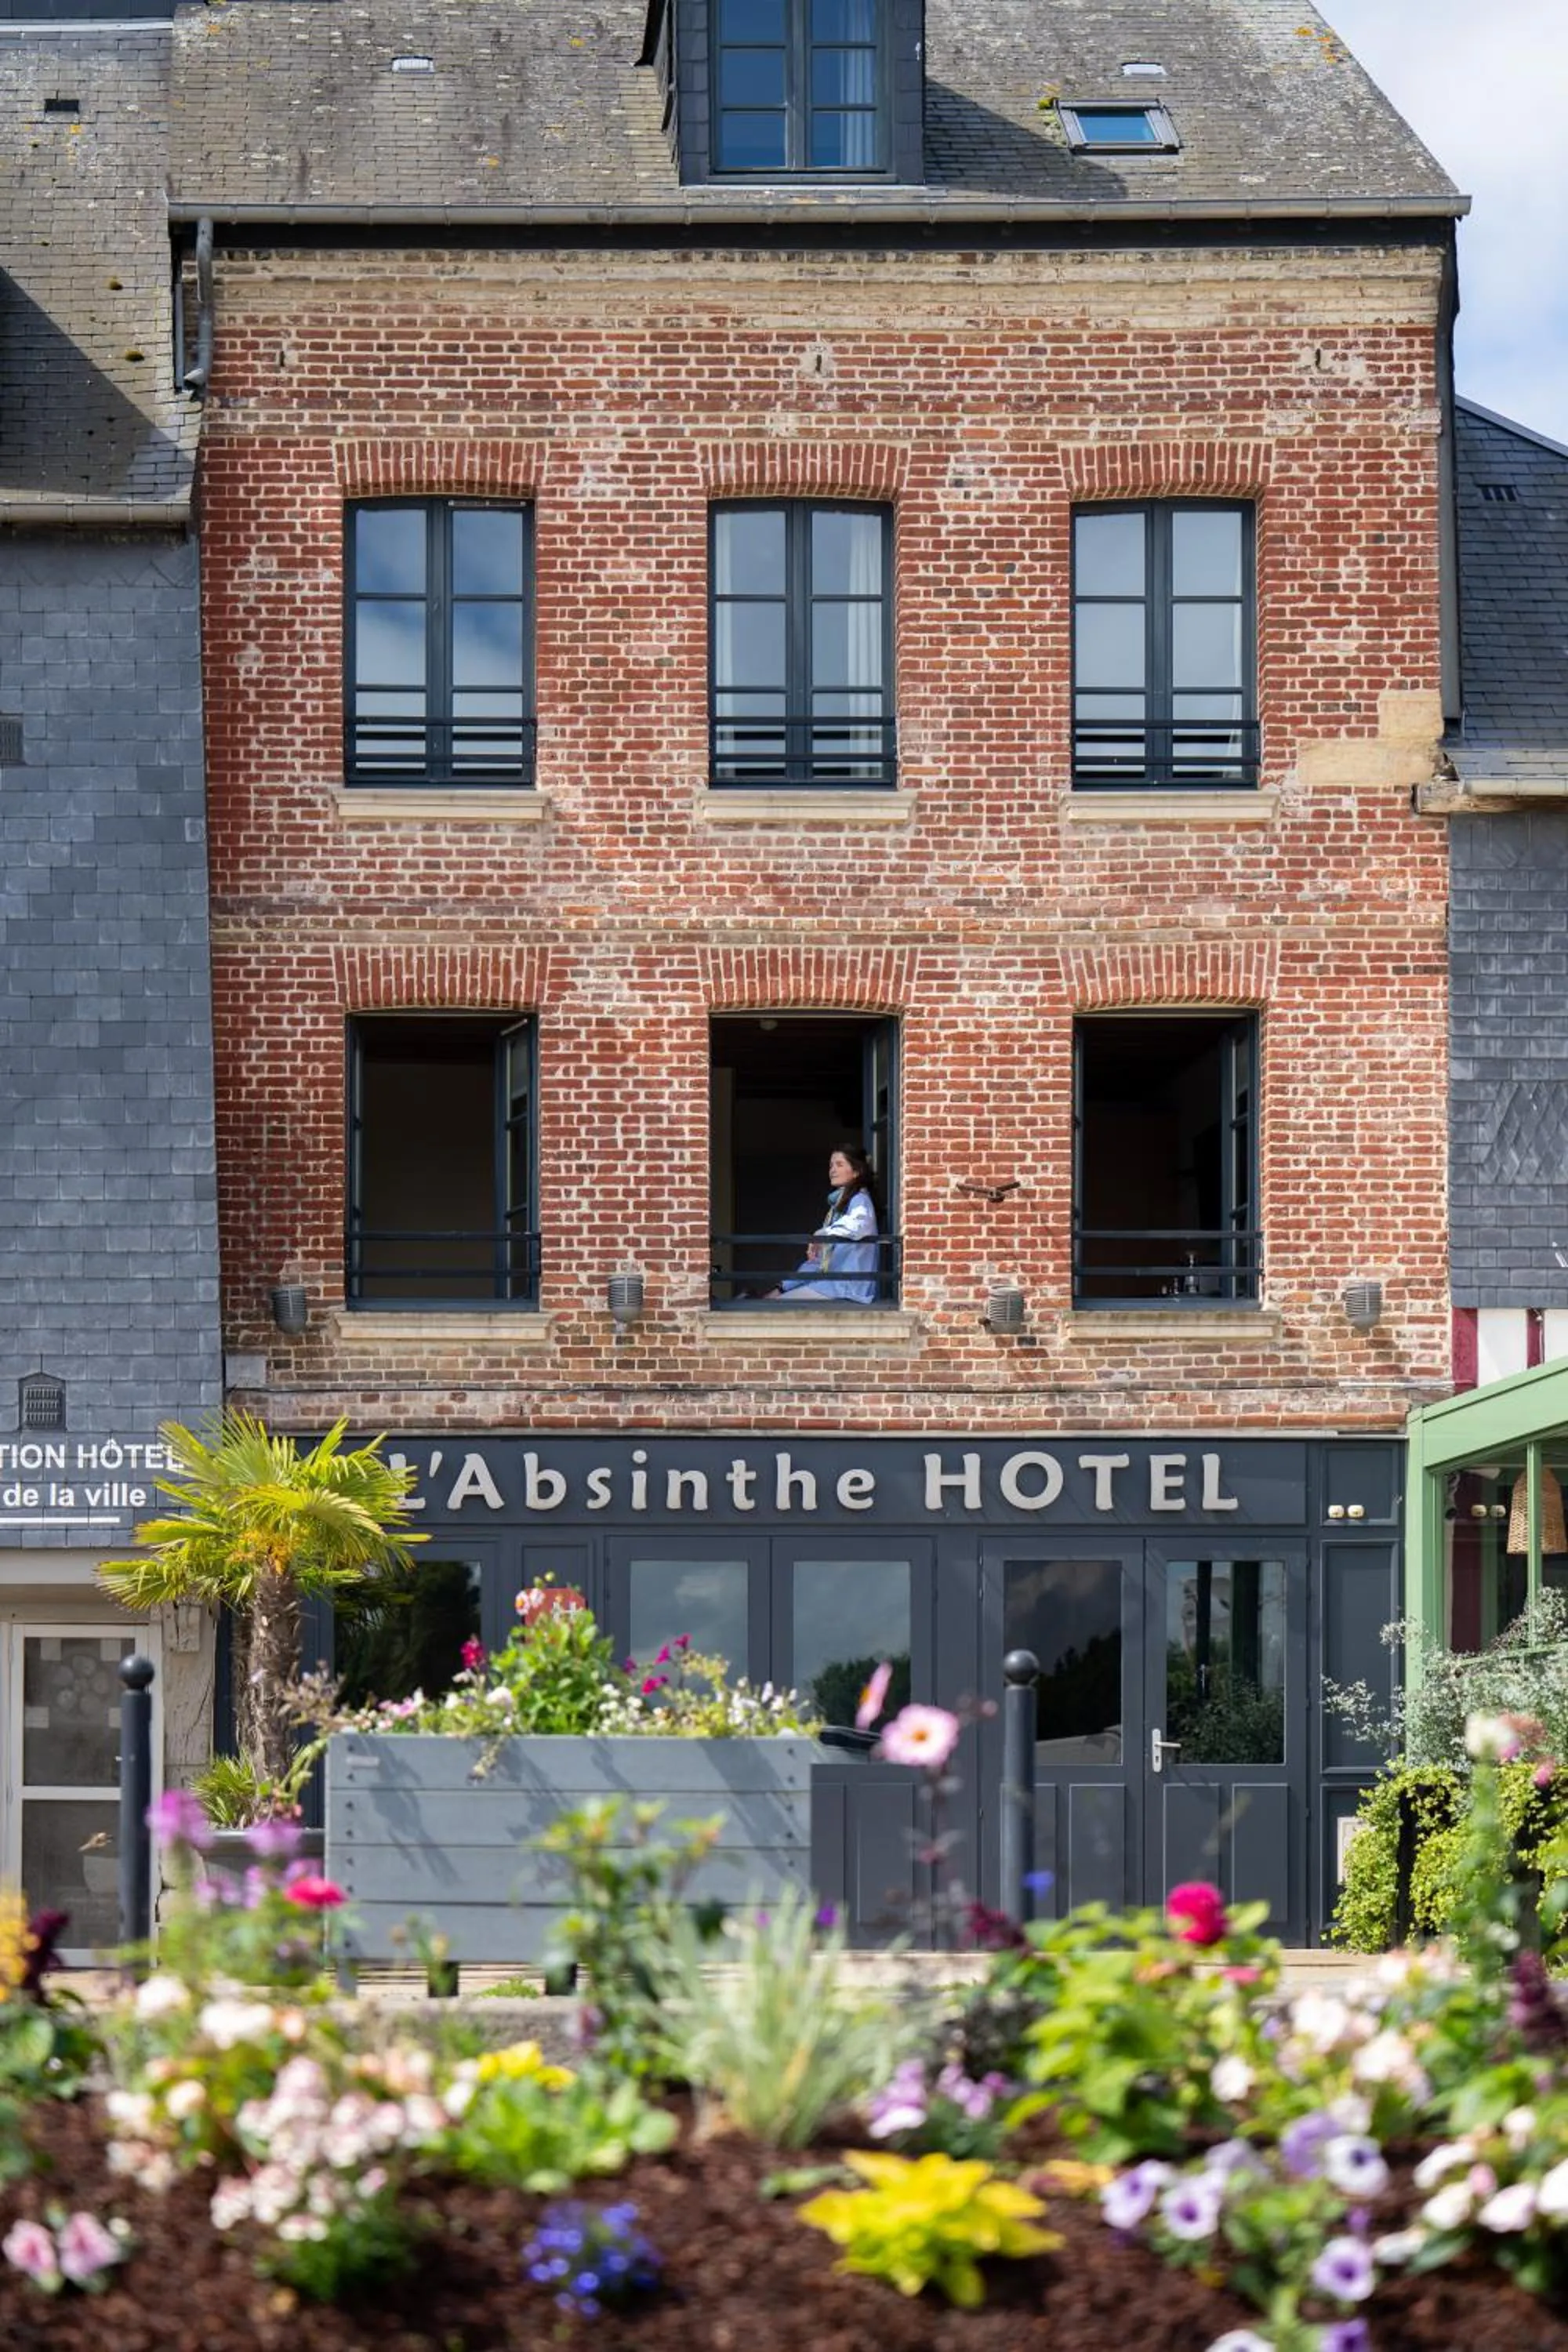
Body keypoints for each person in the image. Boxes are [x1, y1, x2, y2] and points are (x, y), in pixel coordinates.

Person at [770, 1146, 881, 1305]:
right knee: (773, 1302)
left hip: (847, 1290)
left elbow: (859, 1224)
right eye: (831, 1165)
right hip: (829, 1286)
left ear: (856, 1172)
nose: (833, 1170)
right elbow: (818, 1263)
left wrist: (822, 1233)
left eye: (839, 1165)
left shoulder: (860, 1199)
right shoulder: (836, 1209)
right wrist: (781, 1288)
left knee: (778, 1308)